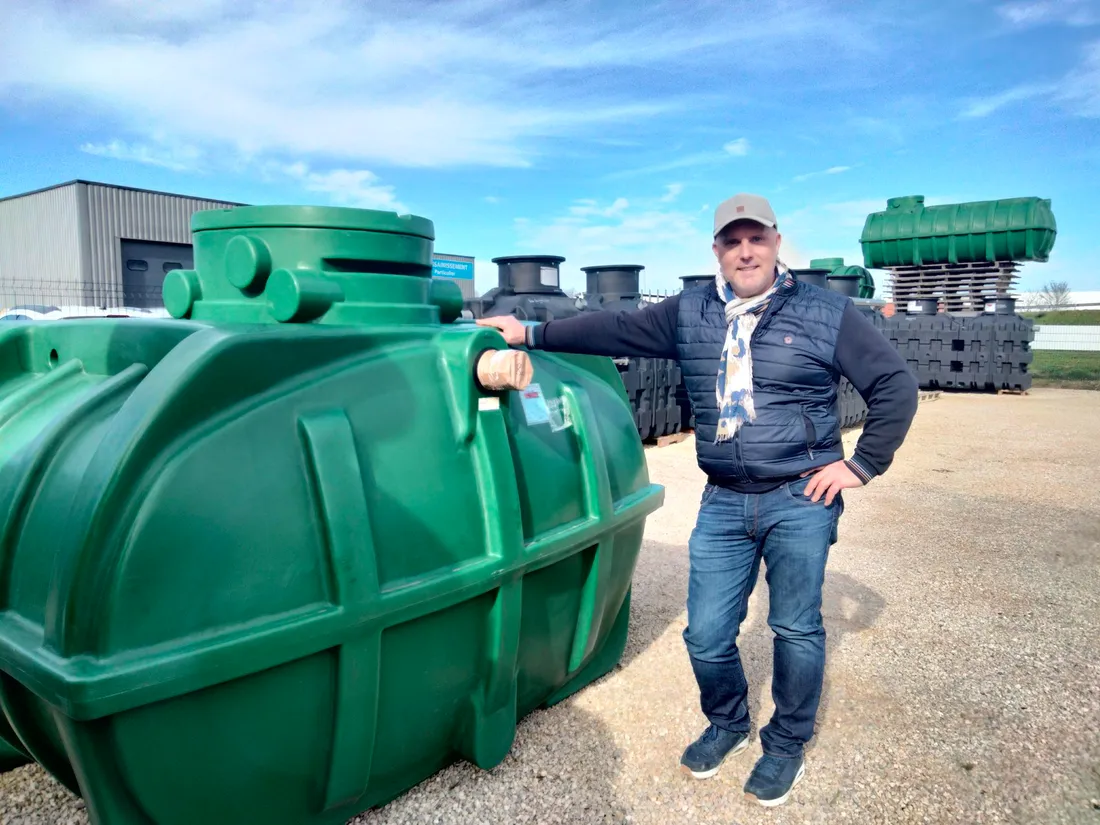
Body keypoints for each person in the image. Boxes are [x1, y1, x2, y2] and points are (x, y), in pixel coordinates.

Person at [477, 193, 919, 807]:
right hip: (724, 500)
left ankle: (786, 743)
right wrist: (531, 331)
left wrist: (861, 465)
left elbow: (895, 384)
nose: (745, 251)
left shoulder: (826, 312)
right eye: (732, 241)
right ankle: (730, 722)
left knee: (794, 627)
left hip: (800, 498)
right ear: (717, 250)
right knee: (706, 635)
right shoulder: (691, 312)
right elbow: (614, 326)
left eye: (756, 239)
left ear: (776, 243)